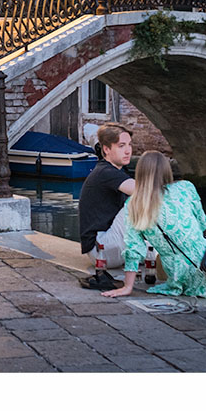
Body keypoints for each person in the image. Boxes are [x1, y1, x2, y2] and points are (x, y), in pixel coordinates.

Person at [103, 150, 206, 298]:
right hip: (205, 265)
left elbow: (133, 249)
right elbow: (203, 223)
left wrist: (128, 287)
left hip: (177, 274)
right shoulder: (185, 188)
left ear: (140, 173)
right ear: (166, 170)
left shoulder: (133, 205)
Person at [77, 123, 150, 290]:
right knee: (137, 201)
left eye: (129, 145)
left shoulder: (114, 170)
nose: (128, 151)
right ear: (106, 149)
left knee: (160, 251)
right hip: (101, 249)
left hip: (110, 245)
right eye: (121, 146)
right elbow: (143, 192)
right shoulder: (106, 172)